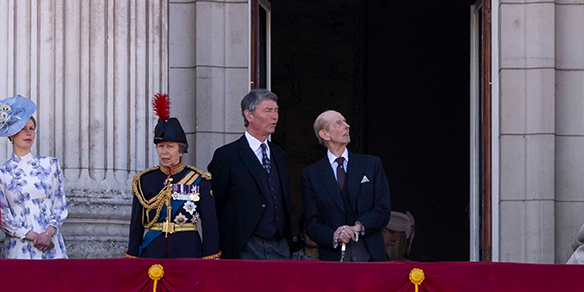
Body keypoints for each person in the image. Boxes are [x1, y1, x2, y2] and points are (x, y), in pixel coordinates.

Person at [207, 88, 297, 260]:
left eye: (276, 111)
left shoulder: (280, 155)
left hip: (280, 246)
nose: (275, 116)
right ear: (249, 115)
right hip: (243, 246)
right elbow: (216, 205)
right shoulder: (227, 155)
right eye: (268, 111)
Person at [130, 94, 220, 259]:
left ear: (181, 150)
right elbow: (136, 225)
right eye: (160, 146)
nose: (164, 152)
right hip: (153, 251)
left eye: (170, 147)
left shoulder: (199, 180)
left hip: (188, 251)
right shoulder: (144, 181)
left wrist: (210, 257)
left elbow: (210, 225)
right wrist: (132, 257)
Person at [300, 109, 391, 262]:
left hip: (369, 253)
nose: (347, 126)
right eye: (339, 123)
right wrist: (334, 235)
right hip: (333, 257)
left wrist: (358, 227)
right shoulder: (311, 174)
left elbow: (383, 209)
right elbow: (311, 223)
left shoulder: (371, 165)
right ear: (325, 134)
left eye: (345, 121)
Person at [0, 96, 67, 260]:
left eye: (31, 128)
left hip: (51, 243)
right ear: (10, 135)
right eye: (23, 128)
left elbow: (60, 206)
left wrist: (47, 234)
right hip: (20, 246)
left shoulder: (50, 164)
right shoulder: (0, 173)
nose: (28, 133)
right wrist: (32, 236)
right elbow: (2, 216)